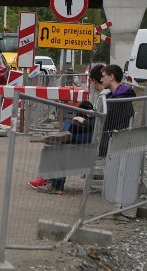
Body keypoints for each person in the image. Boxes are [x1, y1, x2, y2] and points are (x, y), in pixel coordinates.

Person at [28, 63, 106, 193]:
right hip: (100, 134)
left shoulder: (104, 96)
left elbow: (100, 122)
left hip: (98, 137)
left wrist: (84, 120)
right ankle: (50, 179)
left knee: (61, 146)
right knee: (63, 138)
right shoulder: (106, 95)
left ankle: (55, 185)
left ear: (93, 80)